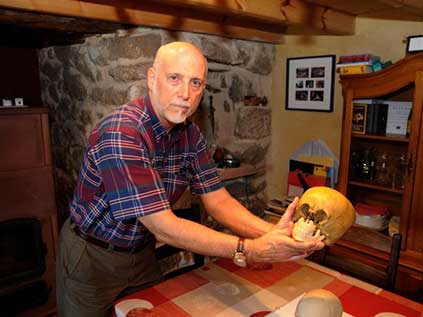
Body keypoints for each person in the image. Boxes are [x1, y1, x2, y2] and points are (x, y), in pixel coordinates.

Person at [56, 41, 324, 317]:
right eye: (175, 78)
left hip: (141, 250)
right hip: (91, 256)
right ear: (152, 78)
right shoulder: (122, 133)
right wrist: (249, 249)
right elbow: (164, 227)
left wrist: (274, 234)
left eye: (195, 83)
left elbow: (218, 200)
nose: (185, 93)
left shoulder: (190, 134)